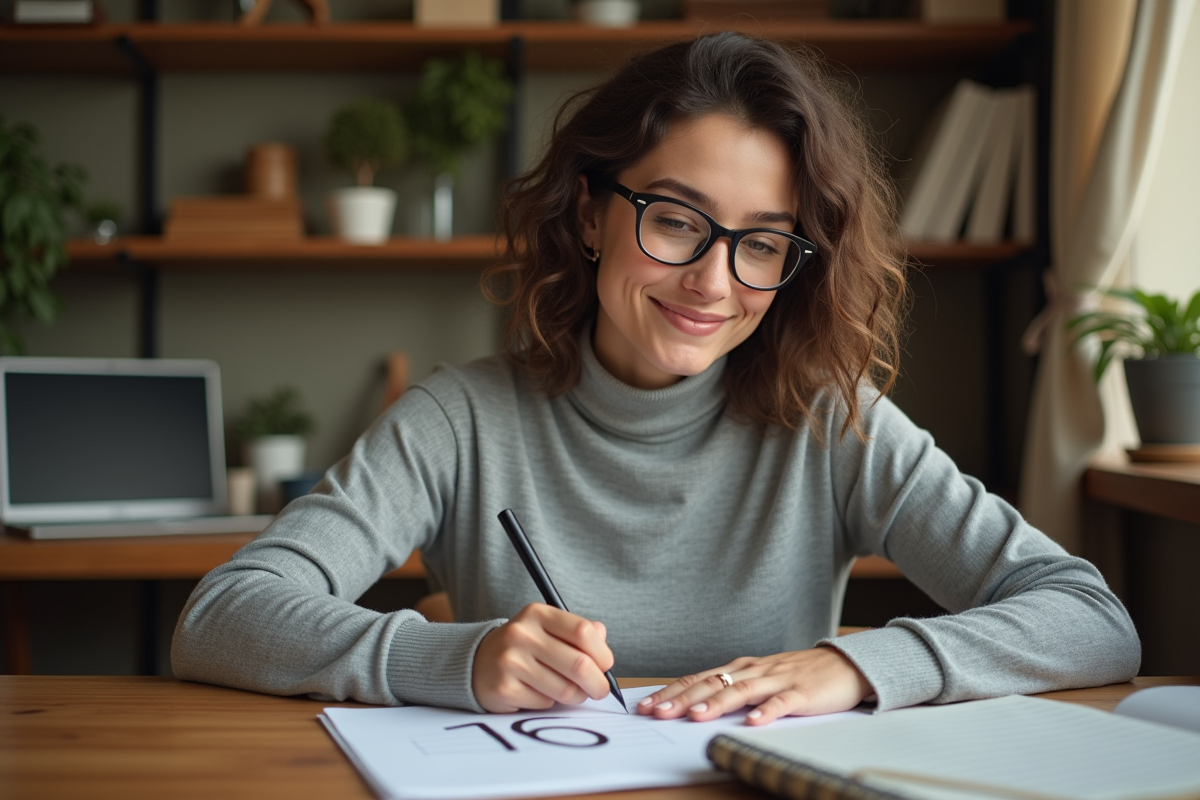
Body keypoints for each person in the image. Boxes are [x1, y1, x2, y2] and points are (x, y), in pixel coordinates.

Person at [172, 32, 1139, 724]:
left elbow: (1091, 621)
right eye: (676, 220)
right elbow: (222, 619)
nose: (714, 283)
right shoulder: (458, 420)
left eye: (762, 243)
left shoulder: (832, 422)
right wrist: (453, 656)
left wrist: (857, 662)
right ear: (591, 215)